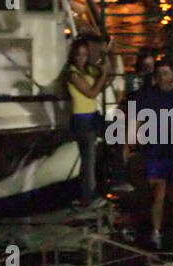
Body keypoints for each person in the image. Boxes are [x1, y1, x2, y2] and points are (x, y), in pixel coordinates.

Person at [130, 59, 173, 250]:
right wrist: (132, 141)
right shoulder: (149, 95)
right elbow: (137, 119)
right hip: (155, 148)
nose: (161, 78)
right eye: (158, 75)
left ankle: (172, 228)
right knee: (157, 192)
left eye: (165, 74)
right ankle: (156, 231)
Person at [66, 35, 114, 208]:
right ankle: (89, 196)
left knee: (112, 139)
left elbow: (106, 79)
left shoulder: (87, 71)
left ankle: (111, 180)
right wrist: (102, 75)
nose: (81, 58)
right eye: (78, 54)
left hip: (92, 117)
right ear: (73, 55)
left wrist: (106, 56)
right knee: (88, 159)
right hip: (82, 120)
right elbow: (92, 93)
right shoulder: (73, 74)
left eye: (85, 54)